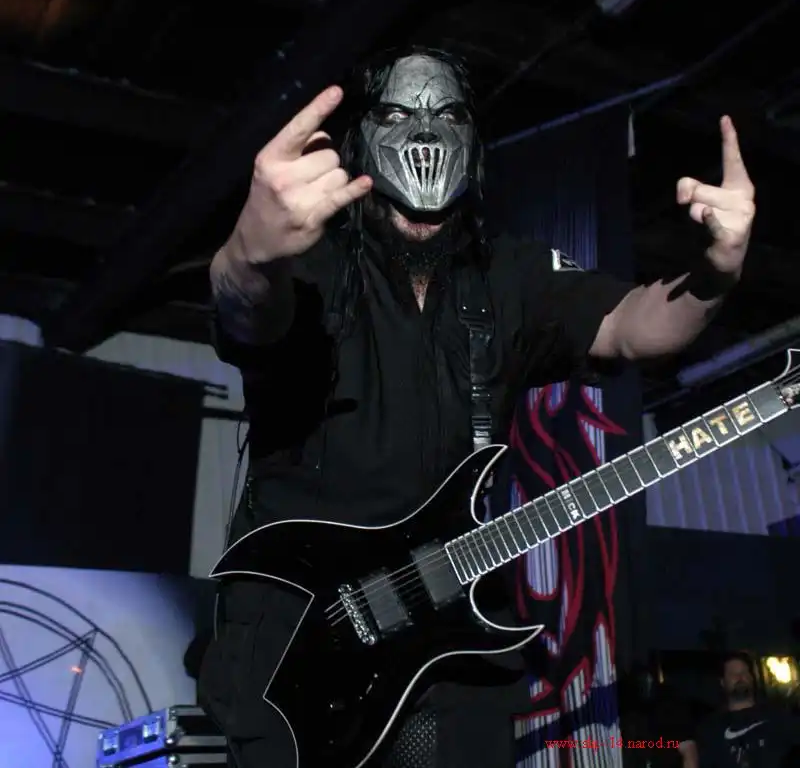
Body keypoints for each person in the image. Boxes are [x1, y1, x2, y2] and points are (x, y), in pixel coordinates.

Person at [197, 47, 756, 768]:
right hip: (299, 645)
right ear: (364, 137)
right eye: (398, 113)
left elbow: (630, 326)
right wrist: (250, 250)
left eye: (447, 114)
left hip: (453, 648)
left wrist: (717, 272)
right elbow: (245, 308)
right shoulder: (308, 262)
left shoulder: (508, 275)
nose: (424, 134)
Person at [695, 652, 800, 767]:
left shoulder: (778, 717)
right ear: (723, 682)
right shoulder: (710, 728)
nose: (740, 677)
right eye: (733, 674)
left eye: (744, 672)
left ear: (751, 678)